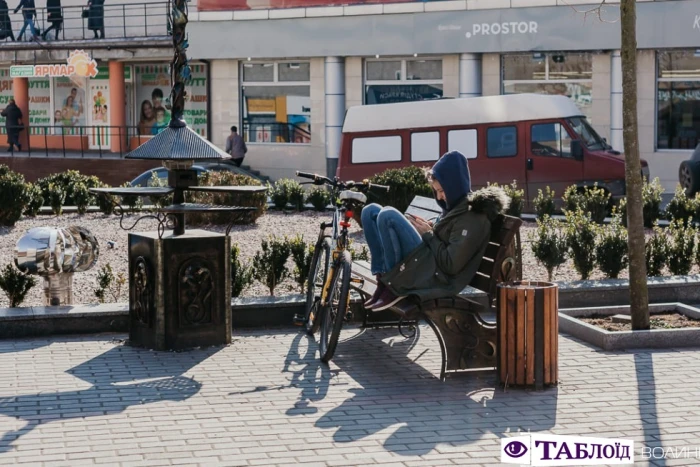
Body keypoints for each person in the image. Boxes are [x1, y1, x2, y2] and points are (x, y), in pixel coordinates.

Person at [360, 151, 509, 312]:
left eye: (442, 190)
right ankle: (383, 279)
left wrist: (428, 234)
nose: (439, 196)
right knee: (370, 211)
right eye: (436, 191)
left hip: (437, 276)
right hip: (427, 261)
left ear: (455, 185)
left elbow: (451, 265)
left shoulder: (473, 217)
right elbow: (445, 234)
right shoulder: (455, 207)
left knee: (388, 215)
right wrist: (429, 226)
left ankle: (394, 285)